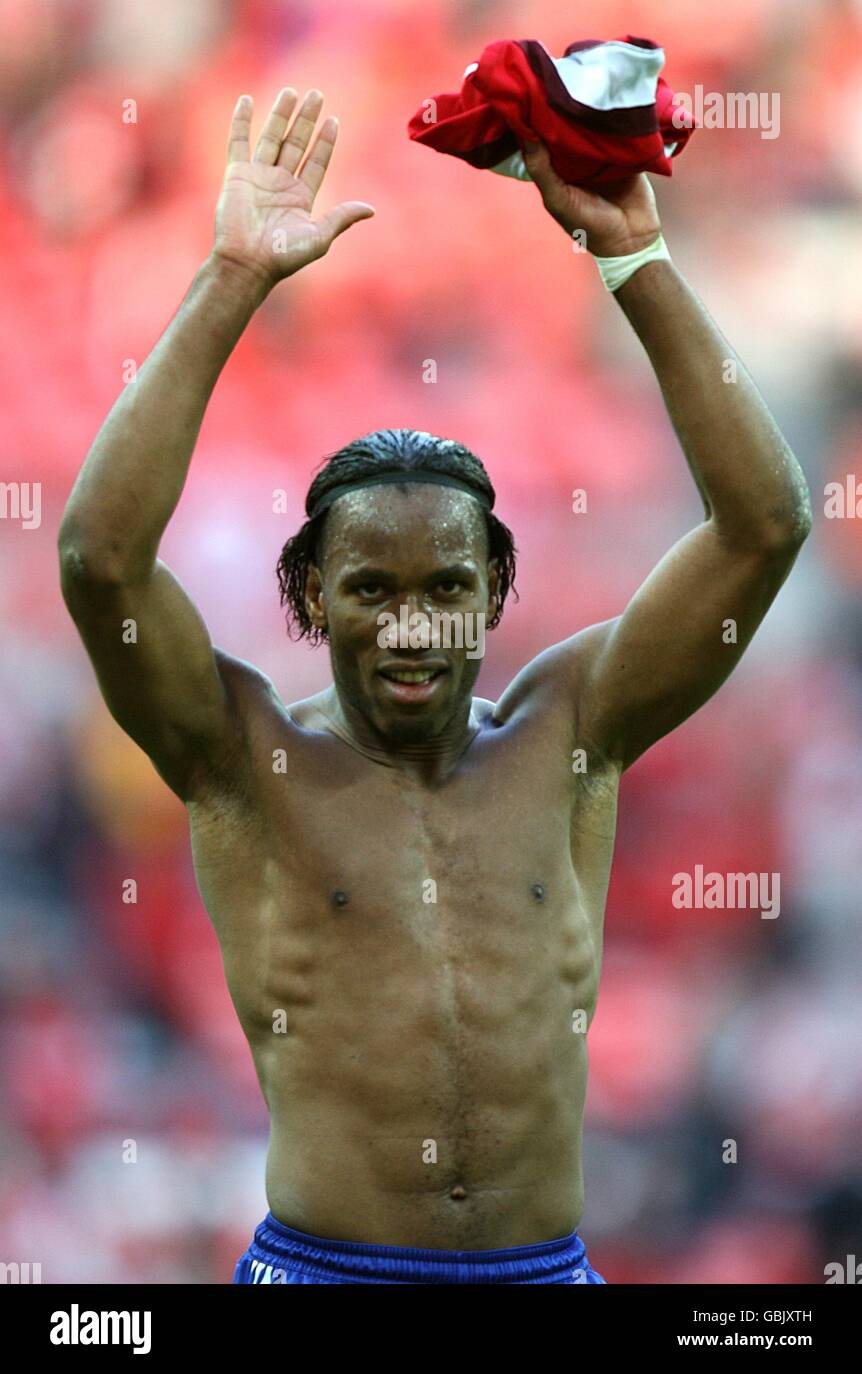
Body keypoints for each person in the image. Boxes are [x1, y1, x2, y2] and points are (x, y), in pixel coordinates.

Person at [58, 88, 812, 1285]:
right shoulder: (242, 758)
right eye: (370, 589)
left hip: (545, 1271)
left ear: (492, 593)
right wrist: (234, 279)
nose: (411, 624)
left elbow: (766, 526)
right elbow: (99, 560)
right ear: (311, 598)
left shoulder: (575, 728)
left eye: (446, 586)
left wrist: (636, 259)